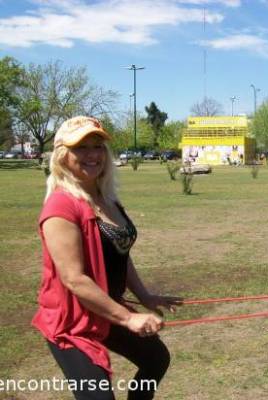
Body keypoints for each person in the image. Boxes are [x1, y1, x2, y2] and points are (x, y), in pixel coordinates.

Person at [32, 116, 183, 400]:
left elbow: (120, 254)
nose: (93, 155)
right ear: (63, 156)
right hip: (72, 320)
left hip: (106, 308)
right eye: (81, 148)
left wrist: (145, 296)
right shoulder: (60, 206)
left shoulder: (107, 200)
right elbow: (73, 279)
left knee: (155, 359)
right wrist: (128, 318)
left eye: (98, 146)